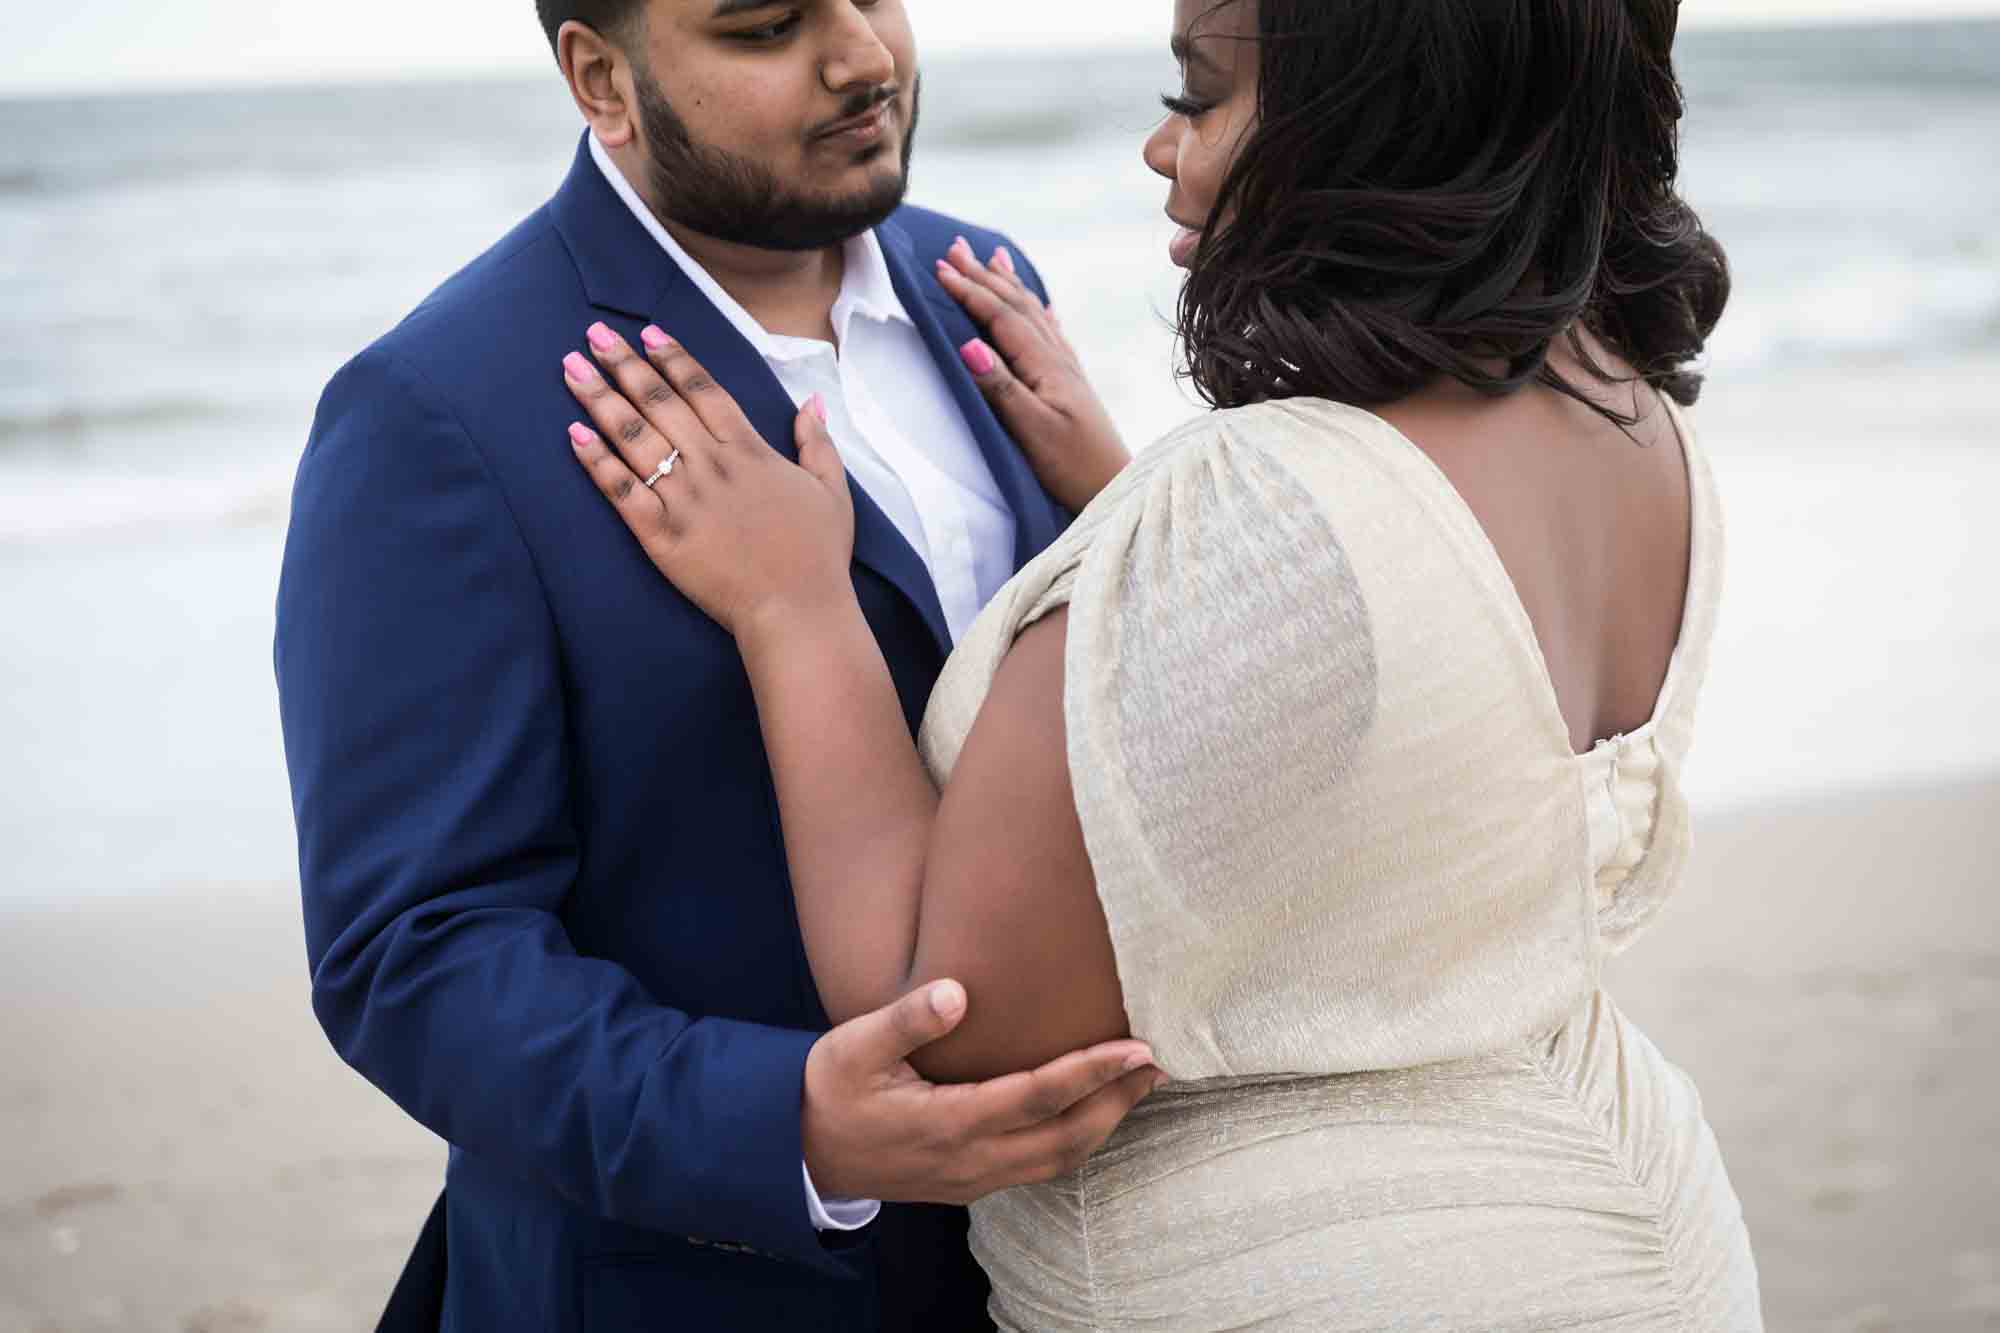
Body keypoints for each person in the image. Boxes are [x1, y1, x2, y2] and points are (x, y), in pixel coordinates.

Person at [559, 0, 1766, 1327]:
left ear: (1373, 120)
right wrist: (1122, 507)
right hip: (1639, 1225)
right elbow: (1380, 725)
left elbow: (935, 1009)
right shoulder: (1627, 406)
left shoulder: (1257, 512)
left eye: (1197, 97)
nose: (1156, 144)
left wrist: (795, 607)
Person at [273, 2, 1166, 1329]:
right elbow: (414, 952)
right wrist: (794, 1128)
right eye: (763, 26)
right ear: (602, 78)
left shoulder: (982, 281)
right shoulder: (438, 413)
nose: (863, 55)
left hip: (1056, 1269)